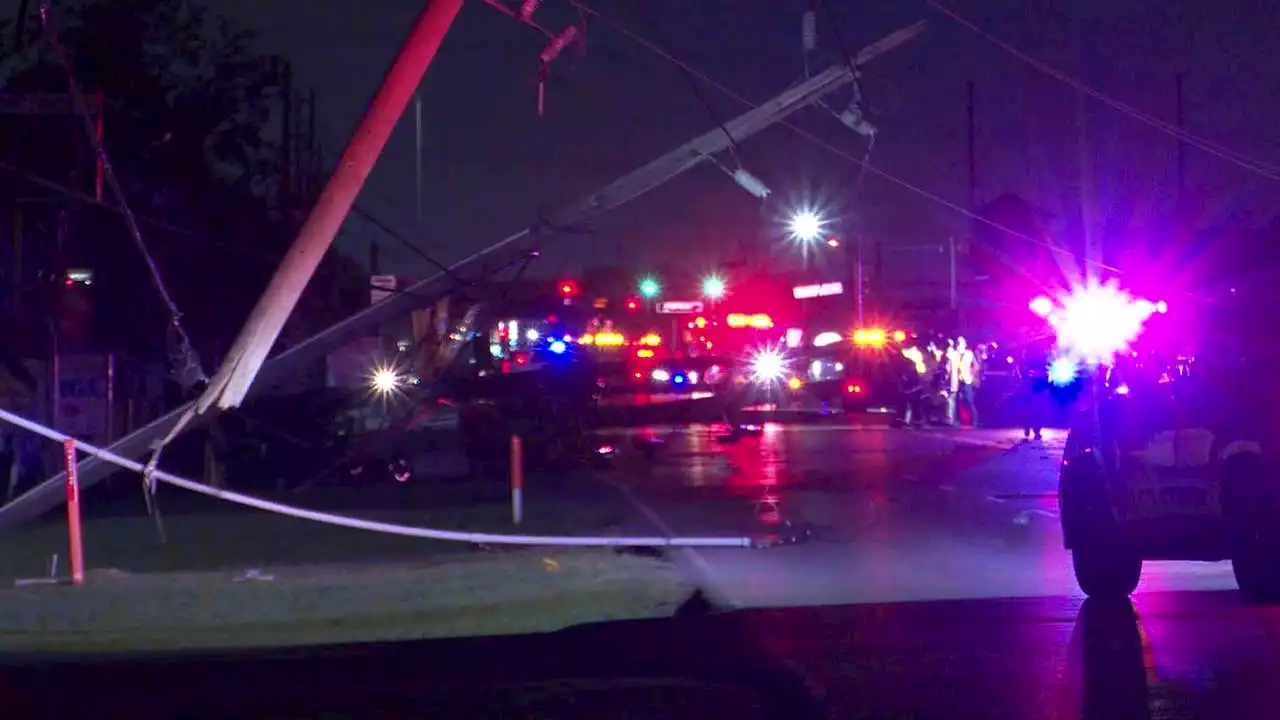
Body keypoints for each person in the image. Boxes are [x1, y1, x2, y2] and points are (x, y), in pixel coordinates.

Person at [947, 336, 979, 427]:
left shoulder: (969, 353)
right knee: (956, 401)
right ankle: (956, 421)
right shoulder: (953, 354)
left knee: (969, 400)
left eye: (961, 342)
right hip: (956, 380)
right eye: (958, 342)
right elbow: (949, 365)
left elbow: (976, 365)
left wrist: (972, 375)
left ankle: (975, 420)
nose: (960, 344)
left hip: (966, 380)